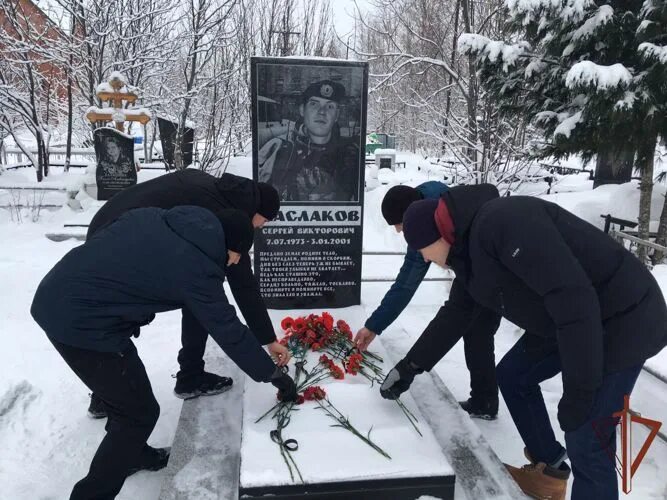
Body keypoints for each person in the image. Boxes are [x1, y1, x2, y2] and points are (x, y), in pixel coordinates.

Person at [379, 185, 667, 500]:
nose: (423, 257)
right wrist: (410, 367)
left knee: (586, 434)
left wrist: (581, 392)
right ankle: (551, 468)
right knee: (514, 375)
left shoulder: (504, 224)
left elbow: (573, 298)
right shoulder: (466, 255)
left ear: (438, 236)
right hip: (570, 321)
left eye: (421, 249)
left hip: (624, 318)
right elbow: (455, 315)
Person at [31, 206, 298, 500]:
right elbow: (227, 328)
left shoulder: (171, 221)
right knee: (138, 413)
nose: (235, 263)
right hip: (81, 322)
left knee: (125, 398)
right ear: (231, 248)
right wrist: (273, 375)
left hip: (63, 294)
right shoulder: (195, 267)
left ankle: (132, 453)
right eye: (238, 256)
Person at [85, 169, 289, 419]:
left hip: (114, 225)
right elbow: (241, 284)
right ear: (257, 211)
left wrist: (267, 338)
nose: (262, 226)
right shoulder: (219, 213)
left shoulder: (223, 196)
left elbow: (236, 281)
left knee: (197, 294)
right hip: (115, 239)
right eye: (265, 220)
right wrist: (269, 354)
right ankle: (110, 394)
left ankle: (188, 376)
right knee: (123, 313)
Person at [354, 183, 501, 419]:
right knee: (477, 331)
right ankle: (484, 400)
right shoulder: (432, 210)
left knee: (477, 329)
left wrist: (409, 367)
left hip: (493, 270)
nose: (398, 232)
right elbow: (405, 285)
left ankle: (485, 400)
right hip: (485, 273)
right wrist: (374, 326)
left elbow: (453, 312)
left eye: (398, 225)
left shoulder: (426, 227)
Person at [258, 79, 359, 202]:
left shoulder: (350, 154)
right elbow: (262, 202)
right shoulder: (277, 148)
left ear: (337, 115)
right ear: (302, 110)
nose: (322, 112)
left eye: (330, 106)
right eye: (314, 104)